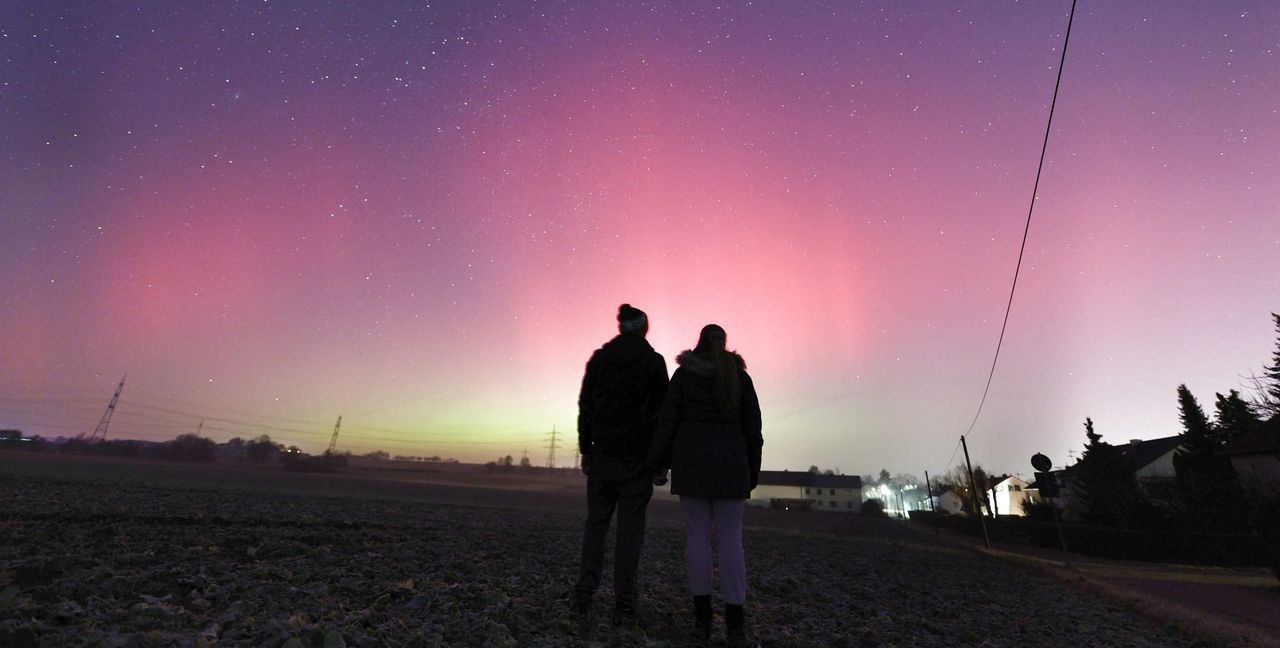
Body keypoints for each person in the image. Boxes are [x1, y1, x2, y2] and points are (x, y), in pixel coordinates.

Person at [648, 324, 762, 647]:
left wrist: (658, 463)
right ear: (725, 344)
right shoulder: (740, 378)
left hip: (692, 466)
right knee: (731, 543)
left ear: (698, 344)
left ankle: (702, 622)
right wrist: (751, 473)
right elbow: (754, 429)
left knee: (696, 540)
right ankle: (735, 625)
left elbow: (667, 421)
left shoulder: (684, 377)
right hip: (731, 468)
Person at [574, 303, 670, 624]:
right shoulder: (653, 363)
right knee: (630, 531)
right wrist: (659, 462)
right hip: (636, 462)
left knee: (596, 526)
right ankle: (624, 601)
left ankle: (583, 594)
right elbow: (660, 416)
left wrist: (585, 448)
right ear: (643, 328)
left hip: (602, 457)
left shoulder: (600, 359)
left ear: (621, 328)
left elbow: (585, 404)